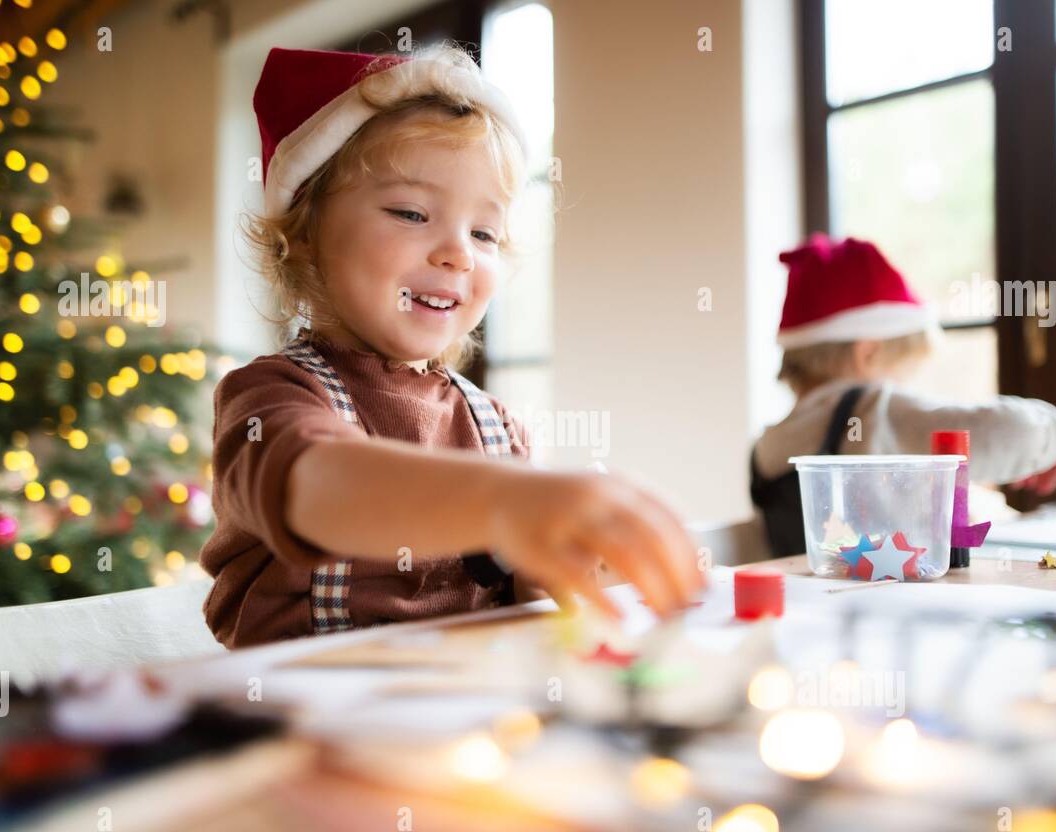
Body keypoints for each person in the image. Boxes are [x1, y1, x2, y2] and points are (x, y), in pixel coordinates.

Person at [200, 45, 703, 648]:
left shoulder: (496, 428)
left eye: (484, 232)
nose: (458, 252)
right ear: (305, 235)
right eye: (412, 213)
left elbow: (525, 605)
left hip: (465, 719)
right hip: (305, 720)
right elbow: (320, 487)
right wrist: (507, 500)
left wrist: (577, 568)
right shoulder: (269, 397)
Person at [751, 234, 1056, 558]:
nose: (904, 387)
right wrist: (1052, 437)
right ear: (869, 354)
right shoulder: (871, 411)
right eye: (903, 371)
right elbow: (1016, 431)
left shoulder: (768, 443)